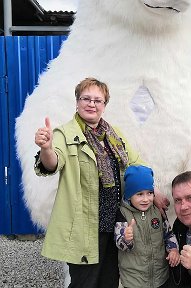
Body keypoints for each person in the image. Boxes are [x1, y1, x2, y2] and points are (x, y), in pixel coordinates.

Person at [34, 77, 168, 288]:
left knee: (109, 281)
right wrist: (47, 148)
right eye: (86, 98)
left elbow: (135, 163)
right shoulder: (64, 133)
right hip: (85, 226)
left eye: (98, 100)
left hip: (115, 222)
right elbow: (53, 163)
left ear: (104, 105)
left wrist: (153, 190)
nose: (91, 104)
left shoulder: (113, 135)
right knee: (85, 282)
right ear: (77, 102)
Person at [114, 165, 180, 288]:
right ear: (129, 195)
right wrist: (126, 239)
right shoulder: (123, 213)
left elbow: (168, 234)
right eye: (139, 194)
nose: (146, 199)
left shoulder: (157, 211)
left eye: (149, 193)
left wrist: (173, 249)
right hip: (134, 281)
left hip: (160, 277)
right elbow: (120, 244)